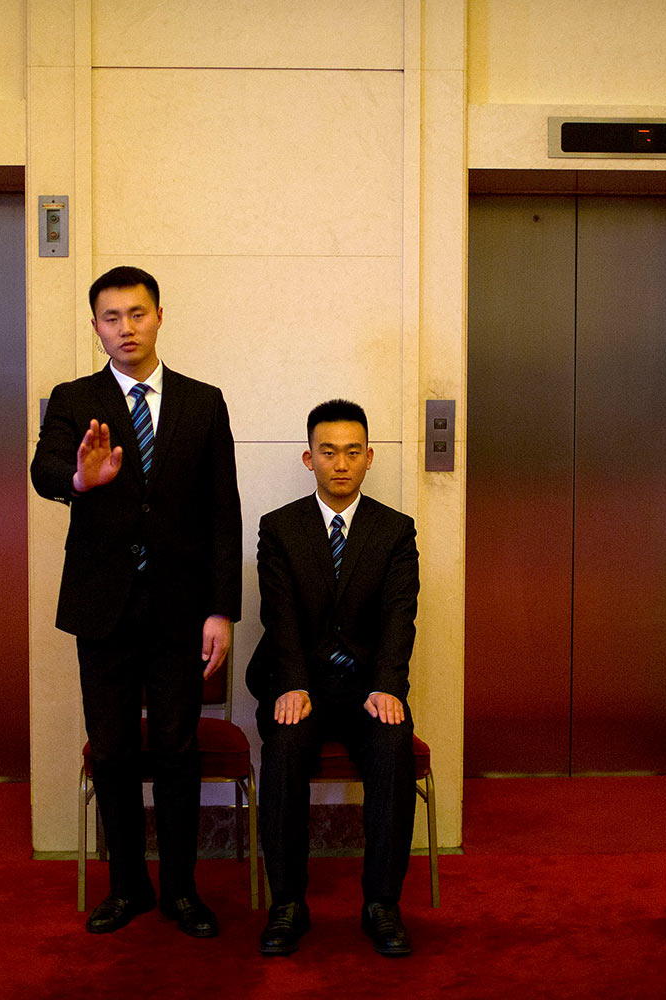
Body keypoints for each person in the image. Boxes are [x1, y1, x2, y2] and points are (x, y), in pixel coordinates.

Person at [31, 266, 242, 938]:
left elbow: (222, 512)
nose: (126, 328)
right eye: (111, 317)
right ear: (96, 327)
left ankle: (180, 889)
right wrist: (78, 478)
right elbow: (44, 469)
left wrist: (221, 609)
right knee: (116, 750)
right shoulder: (73, 397)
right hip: (104, 606)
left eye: (137, 314)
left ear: (159, 315)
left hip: (182, 609)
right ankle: (128, 887)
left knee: (178, 750)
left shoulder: (203, 402)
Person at [246, 399, 420, 957]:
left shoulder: (394, 531)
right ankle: (287, 905)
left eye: (352, 452)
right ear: (308, 458)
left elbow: (400, 615)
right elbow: (280, 617)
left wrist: (389, 685)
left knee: (393, 747)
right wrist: (292, 683)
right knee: (286, 744)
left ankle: (382, 906)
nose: (340, 463)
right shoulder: (279, 529)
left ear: (369, 458)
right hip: (301, 685)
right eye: (328, 452)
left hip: (369, 689)